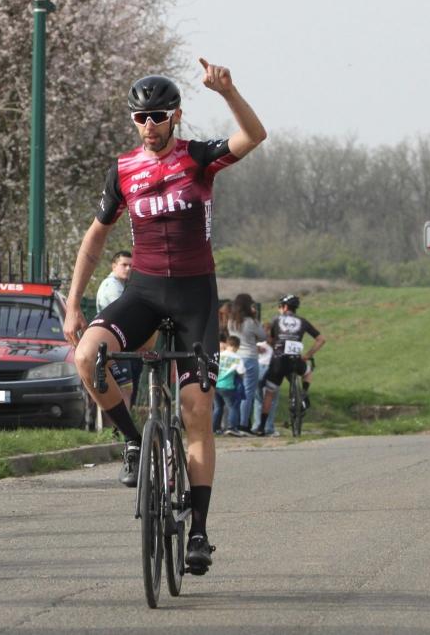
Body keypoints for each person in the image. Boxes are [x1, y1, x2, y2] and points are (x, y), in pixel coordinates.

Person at [63, 59, 266, 574]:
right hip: (145, 292)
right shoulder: (123, 170)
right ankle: (134, 442)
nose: (149, 125)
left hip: (195, 297)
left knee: (196, 410)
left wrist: (228, 91)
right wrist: (73, 303)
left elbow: (254, 136)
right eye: (140, 117)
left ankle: (198, 531)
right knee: (87, 357)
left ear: (175, 116)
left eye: (157, 116)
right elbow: (95, 239)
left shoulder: (198, 158)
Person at [257, 294, 325, 435]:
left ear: (285, 307)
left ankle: (261, 427)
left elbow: (270, 338)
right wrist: (308, 355)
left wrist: (275, 344)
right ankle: (303, 394)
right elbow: (321, 339)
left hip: (278, 361)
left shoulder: (276, 320)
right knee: (308, 372)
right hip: (296, 360)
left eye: (280, 306)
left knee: (269, 394)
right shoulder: (303, 321)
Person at [95, 251, 135, 409]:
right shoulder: (113, 286)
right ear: (113, 266)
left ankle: (115, 424)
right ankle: (121, 424)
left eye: (131, 265)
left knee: (113, 390)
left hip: (109, 342)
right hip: (113, 342)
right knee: (124, 389)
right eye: (124, 265)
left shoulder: (117, 285)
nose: (128, 268)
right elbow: (125, 313)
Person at [226, 293, 265, 435]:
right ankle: (243, 424)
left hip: (235, 357)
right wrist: (255, 318)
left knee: (236, 391)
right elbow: (263, 336)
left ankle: (232, 424)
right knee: (247, 392)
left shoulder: (231, 322)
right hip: (249, 358)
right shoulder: (251, 322)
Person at [214, 335, 248, 436]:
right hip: (227, 385)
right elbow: (241, 372)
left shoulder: (219, 355)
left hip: (216, 384)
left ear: (227, 344)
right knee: (232, 407)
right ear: (237, 346)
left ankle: (214, 428)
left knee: (218, 407)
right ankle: (231, 427)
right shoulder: (237, 358)